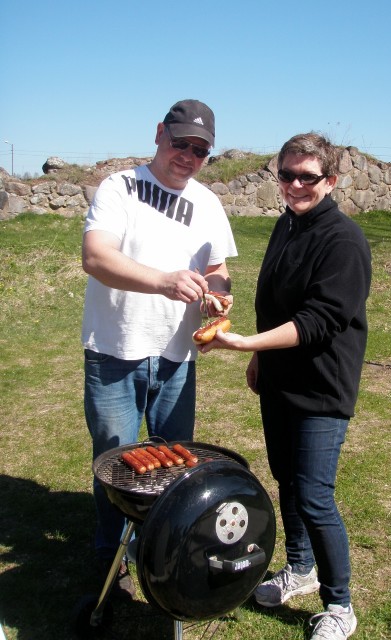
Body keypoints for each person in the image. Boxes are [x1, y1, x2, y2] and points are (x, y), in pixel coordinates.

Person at [199, 132, 371, 639]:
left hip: (321, 388)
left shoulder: (344, 240)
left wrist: (249, 345)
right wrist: (261, 363)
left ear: (331, 181)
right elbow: (273, 301)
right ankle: (300, 567)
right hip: (279, 380)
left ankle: (339, 606)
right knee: (287, 482)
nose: (294, 184)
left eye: (307, 177)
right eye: (286, 174)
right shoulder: (287, 225)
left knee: (315, 495)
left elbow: (320, 320)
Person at [81, 99, 237, 598]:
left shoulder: (209, 203)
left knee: (176, 465)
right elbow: (96, 258)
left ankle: (164, 547)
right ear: (158, 134)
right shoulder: (119, 187)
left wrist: (217, 295)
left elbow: (218, 269)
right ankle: (112, 558)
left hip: (176, 358)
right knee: (115, 461)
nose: (188, 155)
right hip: (114, 351)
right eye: (180, 143)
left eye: (200, 149)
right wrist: (164, 282)